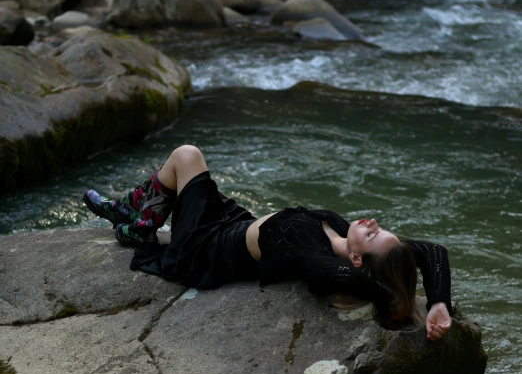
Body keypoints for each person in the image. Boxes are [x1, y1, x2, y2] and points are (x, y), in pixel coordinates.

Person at [83, 144, 452, 341]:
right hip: (232, 220)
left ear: (356, 260)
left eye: (372, 234)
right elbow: (434, 252)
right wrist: (439, 304)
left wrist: (394, 300)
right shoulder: (340, 230)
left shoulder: (311, 258)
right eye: (378, 226)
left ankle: (134, 217)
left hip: (202, 249)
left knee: (186, 156)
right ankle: (135, 216)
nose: (370, 222)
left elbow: (357, 281)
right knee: (185, 168)